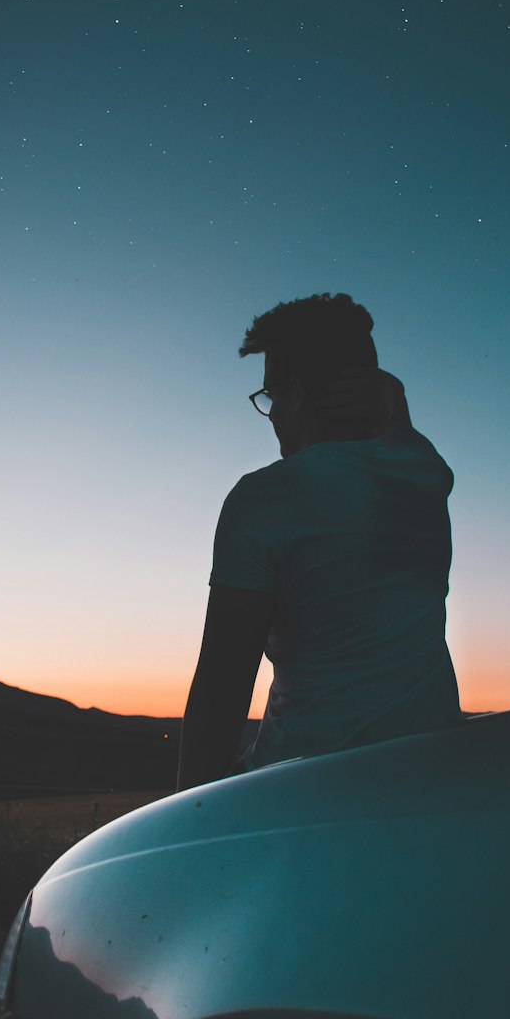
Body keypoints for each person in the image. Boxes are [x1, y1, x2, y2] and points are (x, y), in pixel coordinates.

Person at [176, 292, 461, 791]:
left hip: (304, 792)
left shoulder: (264, 498)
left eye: (271, 396)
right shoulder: (425, 473)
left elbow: (222, 689)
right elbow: (398, 427)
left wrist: (183, 820)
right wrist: (392, 395)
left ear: (299, 391)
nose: (272, 415)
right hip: (430, 783)